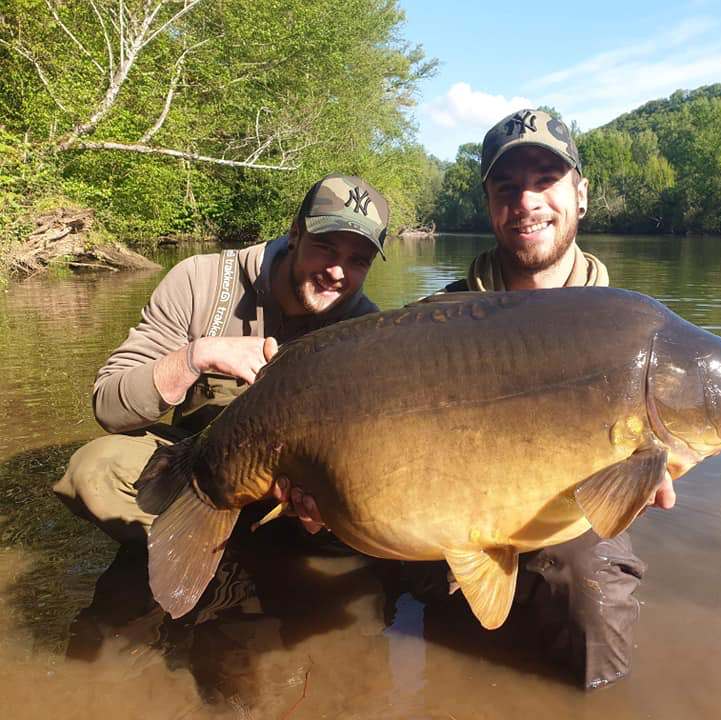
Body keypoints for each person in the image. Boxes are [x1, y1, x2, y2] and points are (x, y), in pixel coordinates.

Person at [433, 109, 677, 689]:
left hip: (571, 513)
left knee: (593, 614)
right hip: (446, 507)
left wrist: (653, 466)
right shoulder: (440, 321)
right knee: (437, 646)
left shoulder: (632, 331)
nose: (527, 201)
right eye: (508, 187)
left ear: (581, 193)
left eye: (546, 179)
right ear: (489, 203)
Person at [53, 174, 389, 543]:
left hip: (297, 488)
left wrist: (330, 505)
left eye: (358, 260)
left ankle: (256, 551)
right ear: (295, 234)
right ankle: (202, 546)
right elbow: (109, 408)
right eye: (325, 247)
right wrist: (198, 355)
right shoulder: (201, 281)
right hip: (201, 471)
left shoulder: (368, 330)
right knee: (96, 470)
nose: (337, 272)